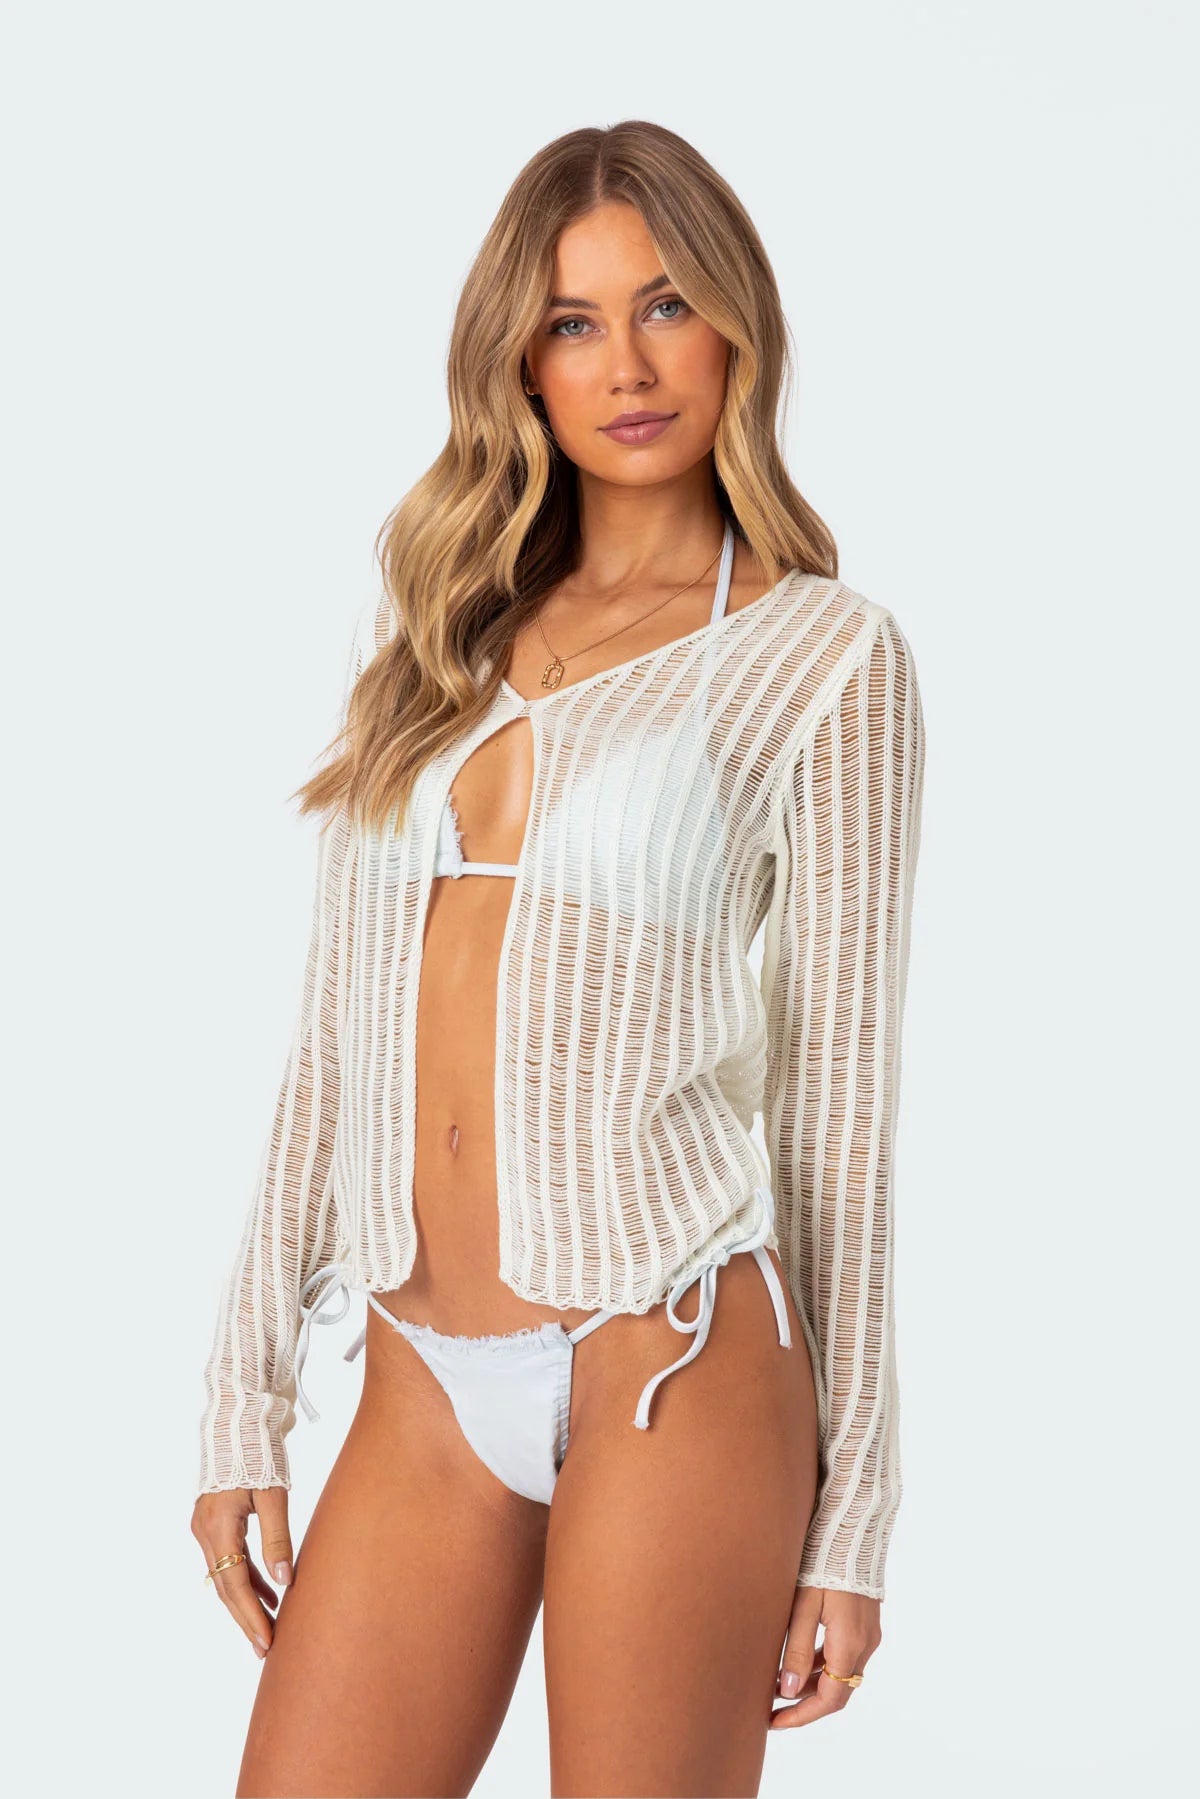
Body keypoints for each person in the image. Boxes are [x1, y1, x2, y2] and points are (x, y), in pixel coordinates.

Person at [191, 118, 926, 1798]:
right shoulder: (436, 641)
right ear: (521, 361)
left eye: (667, 305)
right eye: (575, 322)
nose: (629, 365)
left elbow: (841, 1104)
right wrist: (243, 1395)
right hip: (420, 1379)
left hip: (675, 1355)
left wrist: (858, 1516)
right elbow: (333, 1043)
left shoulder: (822, 658)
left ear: (738, 325)